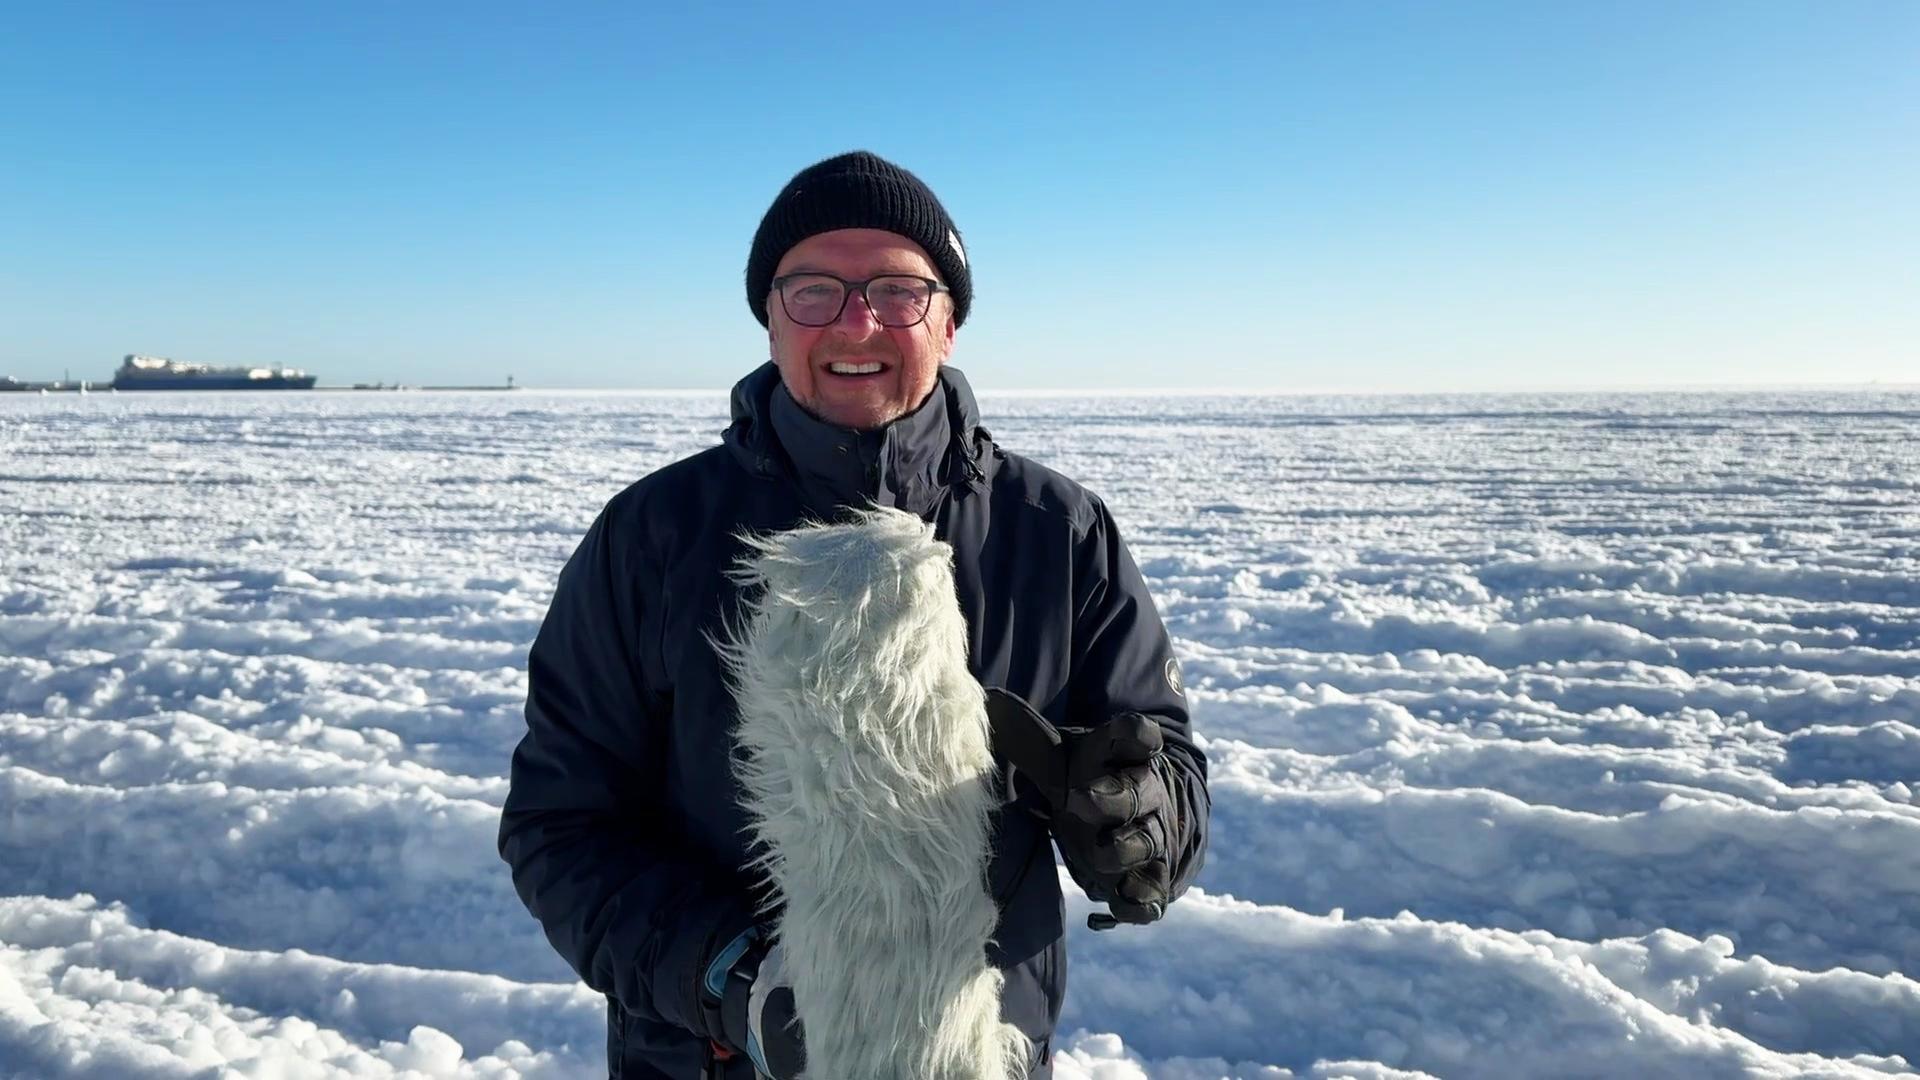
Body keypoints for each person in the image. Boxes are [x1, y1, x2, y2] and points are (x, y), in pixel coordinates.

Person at [499, 150, 1211, 1080]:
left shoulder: (1057, 531)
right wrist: (733, 984)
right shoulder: (654, 537)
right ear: (768, 319)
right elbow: (562, 826)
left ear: (948, 323)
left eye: (897, 291)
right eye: (813, 291)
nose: (856, 321)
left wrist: (1132, 816)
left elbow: (1171, 771)